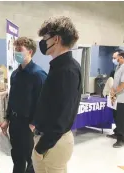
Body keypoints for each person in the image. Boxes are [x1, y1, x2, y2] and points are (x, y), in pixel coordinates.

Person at [31, 16, 82, 173]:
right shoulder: (61, 67)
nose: (43, 42)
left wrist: (41, 148)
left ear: (57, 39)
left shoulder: (66, 71)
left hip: (52, 144)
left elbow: (63, 116)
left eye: (46, 38)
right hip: (52, 141)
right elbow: (53, 103)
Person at [1, 37, 47, 173]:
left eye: (19, 50)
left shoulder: (38, 75)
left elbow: (43, 102)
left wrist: (34, 123)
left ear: (30, 52)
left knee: (31, 159)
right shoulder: (15, 75)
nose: (16, 53)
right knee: (17, 157)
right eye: (15, 49)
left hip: (29, 126)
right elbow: (12, 98)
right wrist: (7, 119)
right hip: (15, 123)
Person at [106, 49, 124, 148]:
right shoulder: (119, 66)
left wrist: (115, 91)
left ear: (121, 57)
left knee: (121, 118)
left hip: (123, 97)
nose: (113, 60)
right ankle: (117, 132)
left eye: (115, 58)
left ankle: (121, 139)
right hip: (116, 95)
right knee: (116, 115)